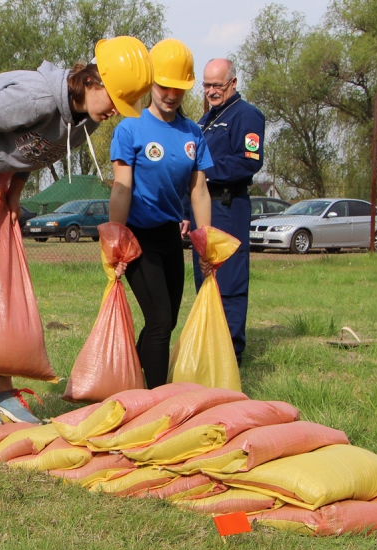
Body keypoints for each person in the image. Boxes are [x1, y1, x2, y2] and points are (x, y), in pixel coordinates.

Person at [0, 36, 153, 425]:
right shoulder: (37, 97)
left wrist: (15, 192)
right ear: (94, 81)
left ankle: (0, 385)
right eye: (115, 98)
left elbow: (39, 149)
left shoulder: (85, 120)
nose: (115, 111)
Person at [109, 39, 213, 389]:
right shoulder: (130, 128)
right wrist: (116, 241)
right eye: (163, 86)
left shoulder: (193, 133)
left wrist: (206, 241)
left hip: (170, 236)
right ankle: (156, 401)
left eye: (178, 88)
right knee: (158, 321)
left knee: (166, 324)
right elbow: (121, 188)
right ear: (151, 81)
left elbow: (198, 190)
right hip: (138, 237)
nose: (170, 94)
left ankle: (133, 381)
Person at [189, 58, 265, 365]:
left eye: (216, 85)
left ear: (232, 83)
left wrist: (206, 171)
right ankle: (209, 346)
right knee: (205, 277)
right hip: (202, 207)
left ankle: (231, 353)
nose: (210, 91)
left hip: (228, 205)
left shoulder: (247, 115)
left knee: (229, 279)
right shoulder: (205, 119)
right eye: (206, 85)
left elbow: (248, 162)